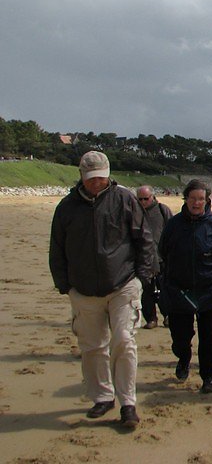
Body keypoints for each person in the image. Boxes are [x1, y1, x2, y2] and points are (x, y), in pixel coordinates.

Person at [49, 151, 155, 428]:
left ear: (108, 174)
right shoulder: (67, 207)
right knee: (93, 347)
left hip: (123, 284)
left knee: (124, 340)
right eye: (90, 178)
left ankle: (128, 402)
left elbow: (144, 240)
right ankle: (102, 396)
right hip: (82, 289)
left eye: (100, 177)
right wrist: (66, 286)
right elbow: (57, 248)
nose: (96, 182)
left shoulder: (124, 200)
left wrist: (142, 278)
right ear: (82, 177)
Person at [159, 179, 212, 394]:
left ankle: (209, 376)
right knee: (180, 336)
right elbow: (163, 251)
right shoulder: (173, 225)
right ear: (186, 199)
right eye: (193, 199)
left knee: (209, 336)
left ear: (207, 200)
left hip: (209, 289)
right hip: (179, 289)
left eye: (201, 199)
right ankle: (183, 358)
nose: (197, 203)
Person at [136, 185, 173, 329]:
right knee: (147, 293)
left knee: (166, 290)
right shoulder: (134, 212)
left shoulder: (163, 211)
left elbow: (173, 232)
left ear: (153, 197)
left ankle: (168, 316)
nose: (143, 202)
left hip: (162, 258)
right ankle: (151, 319)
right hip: (142, 260)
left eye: (146, 198)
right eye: (140, 199)